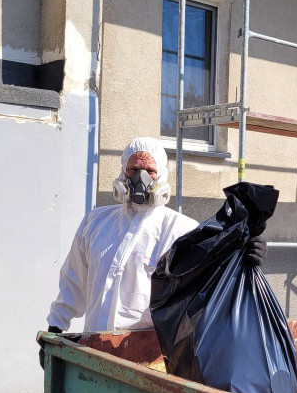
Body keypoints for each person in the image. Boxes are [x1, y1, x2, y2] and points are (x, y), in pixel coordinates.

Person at [47, 137, 267, 334]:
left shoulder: (182, 231)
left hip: (147, 356)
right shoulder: (95, 223)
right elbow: (74, 279)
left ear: (161, 175)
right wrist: (56, 326)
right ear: (123, 171)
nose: (141, 178)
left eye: (150, 171)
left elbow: (211, 283)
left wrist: (244, 258)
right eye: (133, 169)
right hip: (93, 349)